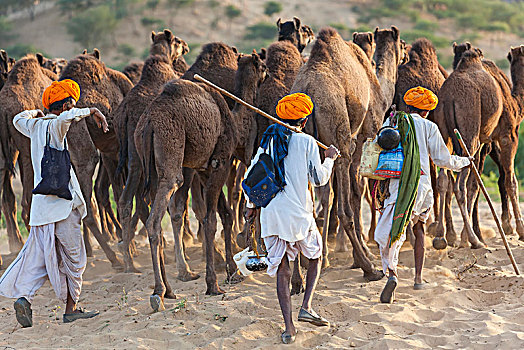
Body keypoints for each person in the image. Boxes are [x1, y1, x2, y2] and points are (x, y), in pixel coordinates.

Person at [0, 79, 109, 327]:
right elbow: (66, 119)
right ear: (63, 107)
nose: (73, 107)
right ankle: (71, 310)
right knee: (75, 259)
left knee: (37, 259)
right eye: (70, 103)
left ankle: (24, 297)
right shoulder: (57, 127)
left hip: (40, 211)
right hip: (62, 207)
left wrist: (35, 112)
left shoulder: (34, 125)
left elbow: (17, 119)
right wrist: (91, 111)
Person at [244, 93, 339, 344]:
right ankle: (306, 305)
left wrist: (251, 205)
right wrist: (329, 159)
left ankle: (289, 328)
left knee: (283, 272)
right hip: (298, 215)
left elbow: (253, 175)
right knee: (316, 256)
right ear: (305, 120)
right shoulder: (307, 142)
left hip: (273, 215)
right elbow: (319, 179)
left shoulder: (268, 141)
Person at [374, 86, 472, 303]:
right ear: (426, 111)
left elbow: (379, 145)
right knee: (419, 229)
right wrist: (466, 161)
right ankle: (418, 278)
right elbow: (442, 160)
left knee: (394, 232)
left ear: (407, 106)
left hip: (397, 185)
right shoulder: (429, 126)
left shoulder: (393, 122)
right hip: (422, 188)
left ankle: (392, 273)